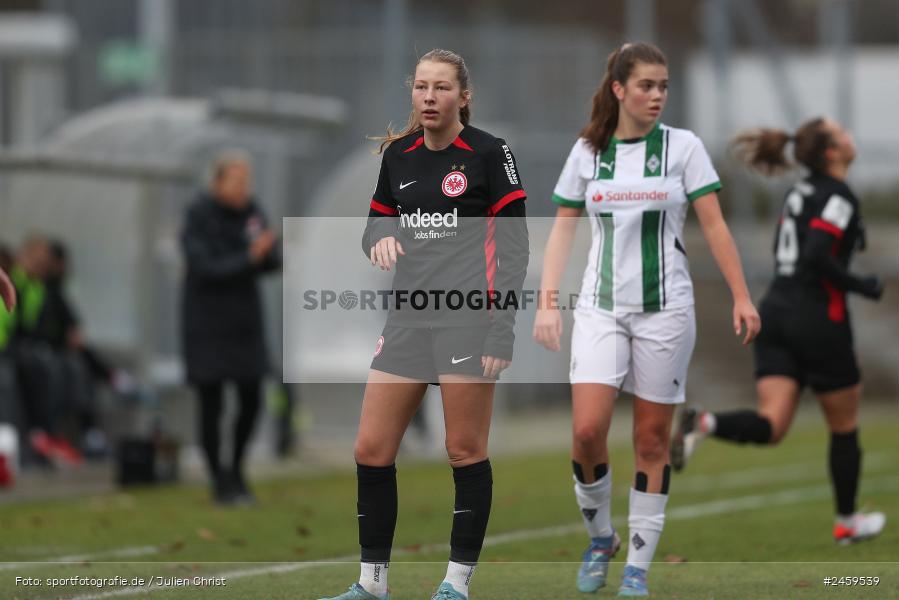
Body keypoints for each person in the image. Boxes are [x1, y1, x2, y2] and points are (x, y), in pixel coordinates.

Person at [533, 43, 760, 597]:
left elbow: (715, 227)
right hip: (599, 308)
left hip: (668, 311)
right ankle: (600, 537)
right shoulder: (588, 151)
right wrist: (546, 301)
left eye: (663, 86)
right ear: (619, 90)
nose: (656, 95)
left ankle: (636, 568)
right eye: (646, 86)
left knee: (652, 439)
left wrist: (741, 296)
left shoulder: (683, 149)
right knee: (587, 431)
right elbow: (562, 227)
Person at [320, 48, 529, 600]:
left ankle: (455, 585)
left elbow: (513, 248)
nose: (429, 97)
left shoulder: (490, 153)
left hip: (468, 321)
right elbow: (374, 227)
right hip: (408, 321)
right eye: (420, 87)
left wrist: (502, 329)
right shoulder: (398, 157)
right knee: (371, 448)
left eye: (441, 88)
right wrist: (381, 237)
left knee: (463, 450)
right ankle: (371, 586)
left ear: (463, 95)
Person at [670, 117, 886, 545]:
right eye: (841, 132)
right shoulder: (837, 195)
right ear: (831, 152)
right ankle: (847, 521)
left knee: (773, 424)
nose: (849, 135)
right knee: (844, 424)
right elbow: (817, 255)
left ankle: (705, 422)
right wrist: (865, 285)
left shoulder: (798, 192)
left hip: (776, 311)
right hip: (819, 318)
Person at [180, 151, 281, 506]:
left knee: (252, 399)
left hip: (245, 325)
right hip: (207, 325)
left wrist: (268, 252)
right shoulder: (198, 215)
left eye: (246, 181)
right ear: (218, 182)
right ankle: (218, 478)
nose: (244, 189)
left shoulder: (251, 212)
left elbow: (271, 260)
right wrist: (249, 257)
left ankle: (236, 468)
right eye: (236, 181)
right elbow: (205, 267)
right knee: (212, 404)